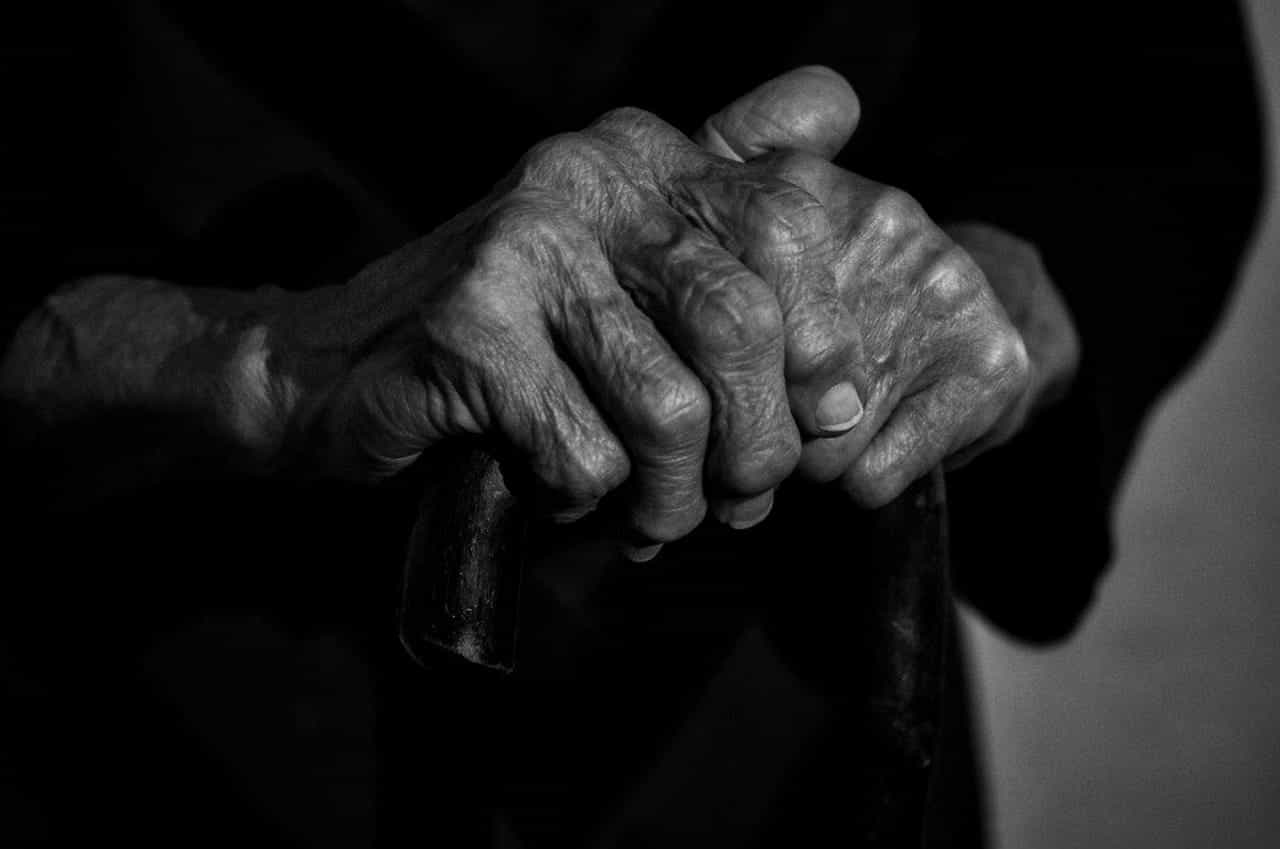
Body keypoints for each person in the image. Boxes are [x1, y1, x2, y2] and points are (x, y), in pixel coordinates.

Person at [0, 1, 1262, 846]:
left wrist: (955, 297)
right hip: (160, 680)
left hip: (798, 720)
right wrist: (275, 363)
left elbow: (1139, 121)